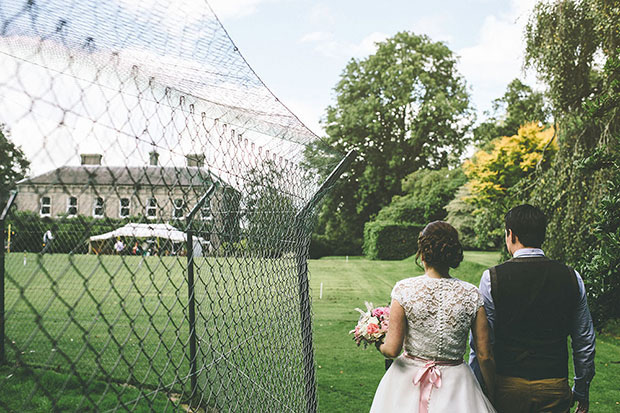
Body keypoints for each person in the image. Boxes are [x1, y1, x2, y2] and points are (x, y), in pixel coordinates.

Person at [469, 204, 596, 413]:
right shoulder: (571, 277)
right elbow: (584, 341)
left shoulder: (492, 278)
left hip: (507, 385)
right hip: (554, 384)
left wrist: (479, 387)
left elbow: (482, 344)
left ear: (511, 234)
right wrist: (581, 389)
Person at [371, 221, 496, 412]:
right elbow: (484, 355)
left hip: (406, 382)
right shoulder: (471, 294)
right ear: (453, 254)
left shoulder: (404, 290)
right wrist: (492, 391)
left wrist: (376, 339)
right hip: (458, 384)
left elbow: (391, 350)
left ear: (422, 253)